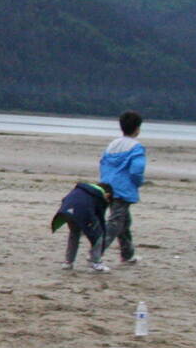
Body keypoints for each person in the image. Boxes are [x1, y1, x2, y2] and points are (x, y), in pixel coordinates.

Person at [99, 111, 145, 265]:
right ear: (137, 128)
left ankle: (127, 254)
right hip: (122, 189)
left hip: (107, 187)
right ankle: (97, 251)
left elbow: (103, 163)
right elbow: (137, 170)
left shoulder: (112, 144)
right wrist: (137, 183)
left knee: (124, 222)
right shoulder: (136, 147)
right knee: (116, 222)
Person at [53, 179, 111, 272]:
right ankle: (95, 262)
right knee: (98, 236)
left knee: (74, 234)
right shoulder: (99, 195)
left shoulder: (82, 189)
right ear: (107, 195)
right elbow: (100, 218)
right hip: (83, 212)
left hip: (67, 211)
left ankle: (68, 262)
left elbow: (65, 199)